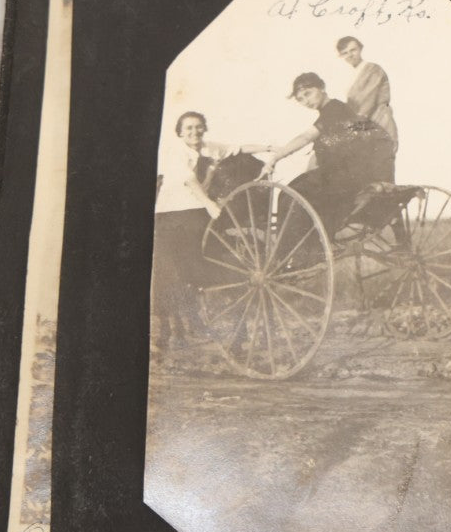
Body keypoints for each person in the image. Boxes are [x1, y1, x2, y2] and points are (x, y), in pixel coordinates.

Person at [151, 112, 258, 352]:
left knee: (221, 265)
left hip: (198, 213)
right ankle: (171, 330)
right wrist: (210, 204)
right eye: (188, 128)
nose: (194, 132)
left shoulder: (208, 147)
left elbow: (236, 148)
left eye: (198, 127)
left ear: (204, 129)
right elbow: (188, 179)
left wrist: (272, 147)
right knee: (173, 273)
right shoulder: (176, 151)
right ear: (180, 132)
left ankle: (234, 331)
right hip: (174, 215)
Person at [260, 72, 396, 242]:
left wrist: (275, 158)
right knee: (299, 188)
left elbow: (305, 137)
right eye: (301, 99)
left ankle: (294, 249)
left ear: (322, 87)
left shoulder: (334, 109)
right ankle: (309, 242)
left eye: (308, 93)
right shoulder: (337, 110)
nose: (306, 101)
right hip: (350, 174)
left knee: (290, 195)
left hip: (344, 177)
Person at [337, 36, 399, 152]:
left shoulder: (372, 69)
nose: (350, 55)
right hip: (363, 127)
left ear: (360, 48)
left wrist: (349, 131)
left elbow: (367, 102)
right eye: (345, 53)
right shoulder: (351, 75)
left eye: (353, 50)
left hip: (379, 123)